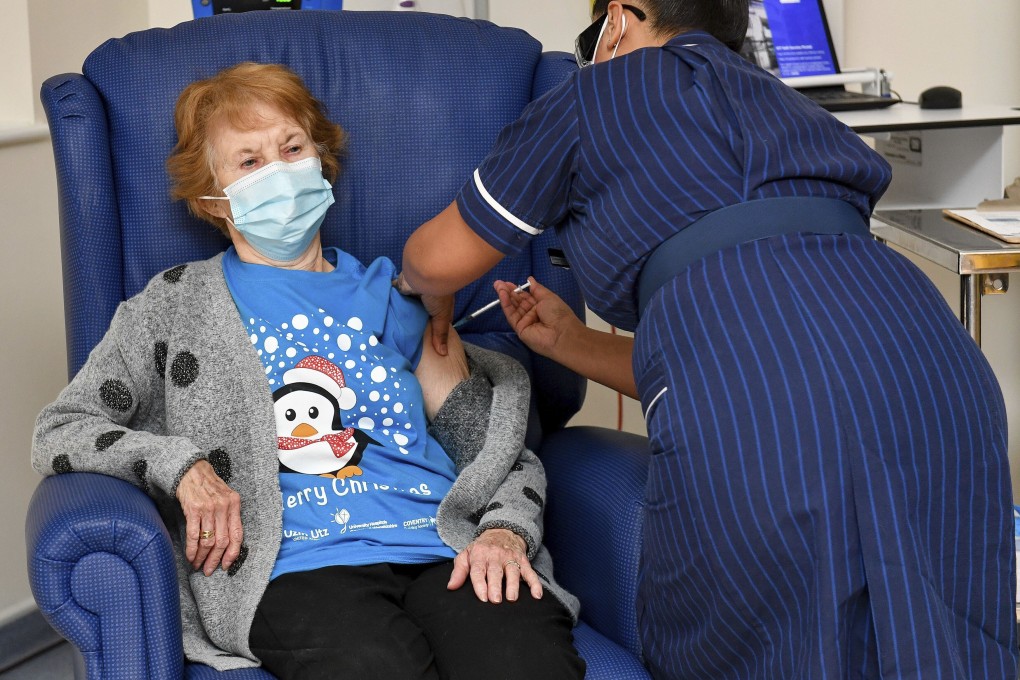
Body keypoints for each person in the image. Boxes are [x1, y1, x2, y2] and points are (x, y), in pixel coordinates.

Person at [398, 1, 1019, 679]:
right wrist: (572, 343)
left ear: (618, 20)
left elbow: (437, 261)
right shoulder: (791, 106)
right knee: (945, 640)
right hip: (930, 360)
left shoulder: (594, 94)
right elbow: (787, 342)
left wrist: (407, 284)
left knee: (761, 646)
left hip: (761, 395)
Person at [32, 62, 584, 680]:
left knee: (528, 664)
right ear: (213, 200)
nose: (279, 172)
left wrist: (506, 530)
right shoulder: (174, 306)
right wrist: (181, 467)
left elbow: (492, 450)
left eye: (291, 148)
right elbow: (62, 428)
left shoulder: (397, 297)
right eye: (248, 162)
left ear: (320, 158)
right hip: (295, 566)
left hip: (441, 547)